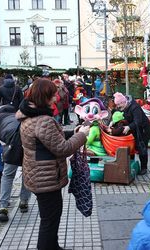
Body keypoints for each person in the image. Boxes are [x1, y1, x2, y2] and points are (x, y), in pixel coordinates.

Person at [16, 78, 90, 250]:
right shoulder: (43, 120)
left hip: (37, 175)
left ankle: (53, 246)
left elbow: (49, 140)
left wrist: (73, 132)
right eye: (53, 94)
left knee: (50, 217)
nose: (56, 97)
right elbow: (62, 148)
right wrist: (82, 135)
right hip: (46, 178)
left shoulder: (29, 116)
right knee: (50, 220)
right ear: (45, 96)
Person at [0, 104, 31, 222]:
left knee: (8, 176)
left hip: (13, 145)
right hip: (28, 142)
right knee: (26, 173)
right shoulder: (17, 116)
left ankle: (3, 207)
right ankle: (24, 202)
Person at [113, 92, 150, 175]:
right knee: (131, 146)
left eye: (119, 105)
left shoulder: (134, 107)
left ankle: (144, 168)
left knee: (142, 147)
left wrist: (128, 127)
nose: (118, 107)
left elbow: (138, 121)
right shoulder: (124, 107)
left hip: (143, 129)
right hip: (134, 129)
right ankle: (131, 164)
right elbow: (118, 115)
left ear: (123, 102)